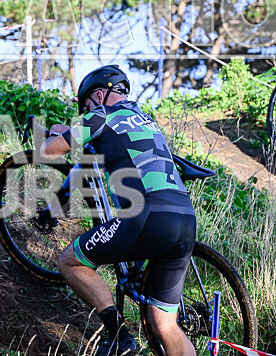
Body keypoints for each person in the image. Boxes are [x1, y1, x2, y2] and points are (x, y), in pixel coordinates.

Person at [40, 65, 196, 356]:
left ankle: (119, 337)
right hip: (186, 218)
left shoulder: (100, 115)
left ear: (99, 95)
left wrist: (58, 133)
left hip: (149, 216)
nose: (85, 111)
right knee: (164, 323)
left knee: (70, 262)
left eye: (86, 106)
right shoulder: (147, 120)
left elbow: (48, 151)